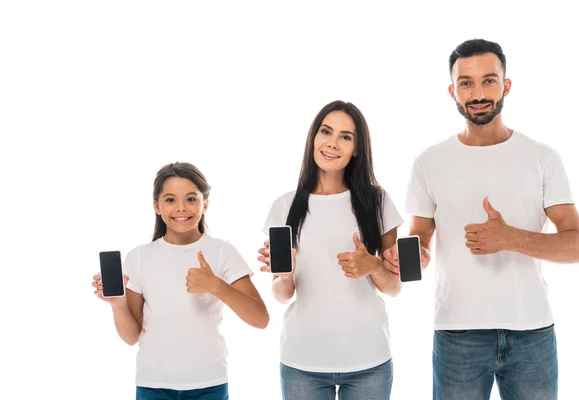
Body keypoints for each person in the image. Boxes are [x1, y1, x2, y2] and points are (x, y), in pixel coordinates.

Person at [383, 39, 579, 400]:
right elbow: (420, 239)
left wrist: (510, 238)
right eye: (466, 83)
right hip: (457, 334)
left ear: (506, 85)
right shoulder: (429, 162)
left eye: (489, 81)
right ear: (452, 91)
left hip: (532, 333)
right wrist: (407, 257)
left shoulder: (542, 157)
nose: (478, 93)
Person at [259, 100, 404, 400]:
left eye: (346, 137)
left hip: (369, 360)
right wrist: (285, 275)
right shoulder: (284, 207)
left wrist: (373, 266)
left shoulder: (377, 202)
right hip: (303, 362)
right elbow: (281, 294)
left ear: (357, 150)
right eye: (326, 131)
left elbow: (393, 287)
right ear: (313, 137)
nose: (332, 143)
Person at [92, 162, 269, 400]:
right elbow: (131, 336)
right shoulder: (139, 257)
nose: (181, 208)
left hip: (209, 384)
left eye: (191, 199)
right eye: (170, 200)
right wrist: (117, 304)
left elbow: (261, 319)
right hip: (153, 385)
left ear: (205, 203)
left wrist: (216, 286)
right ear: (157, 206)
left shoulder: (222, 251)